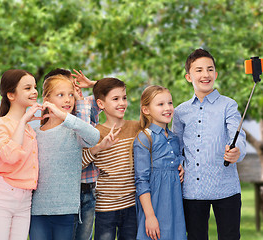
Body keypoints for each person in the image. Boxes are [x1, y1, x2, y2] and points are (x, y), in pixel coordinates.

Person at [172, 48, 247, 240]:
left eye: (210, 69)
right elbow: (176, 146)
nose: (205, 74)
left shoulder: (228, 105)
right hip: (193, 190)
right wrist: (179, 162)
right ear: (189, 77)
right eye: (199, 70)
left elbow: (238, 135)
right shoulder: (180, 112)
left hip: (225, 186)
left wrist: (237, 152)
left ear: (216, 73)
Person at [29, 74, 100, 240]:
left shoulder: (74, 130)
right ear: (46, 99)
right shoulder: (35, 134)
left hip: (66, 211)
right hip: (38, 211)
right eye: (60, 95)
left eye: (70, 95)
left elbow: (94, 137)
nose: (68, 100)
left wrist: (65, 116)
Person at [0, 69, 43, 240]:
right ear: (11, 94)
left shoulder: (30, 129)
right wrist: (23, 120)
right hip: (2, 195)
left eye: (34, 87)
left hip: (25, 199)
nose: (34, 92)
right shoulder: (0, 124)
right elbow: (10, 157)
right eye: (27, 88)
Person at [82, 77, 140, 240]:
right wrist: (99, 147)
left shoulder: (135, 127)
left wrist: (96, 84)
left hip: (132, 206)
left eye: (124, 98)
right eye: (115, 99)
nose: (122, 103)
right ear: (101, 104)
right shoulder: (95, 133)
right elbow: (79, 163)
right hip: (105, 208)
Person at [134, 85, 187, 240]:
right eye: (160, 104)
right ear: (146, 110)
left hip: (175, 203)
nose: (168, 108)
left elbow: (175, 161)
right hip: (155, 204)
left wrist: (180, 166)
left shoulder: (174, 138)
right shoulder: (144, 138)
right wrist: (150, 216)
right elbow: (141, 181)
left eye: (170, 103)